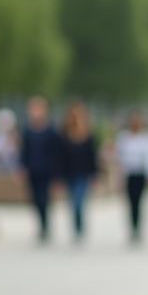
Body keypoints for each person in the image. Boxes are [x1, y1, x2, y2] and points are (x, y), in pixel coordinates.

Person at [19, 96, 61, 243]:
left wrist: (57, 173)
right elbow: (24, 150)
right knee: (35, 199)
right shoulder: (27, 129)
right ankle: (41, 225)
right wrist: (22, 167)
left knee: (44, 198)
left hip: (47, 170)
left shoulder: (50, 129)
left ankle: (45, 226)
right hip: (32, 169)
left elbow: (56, 152)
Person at [114, 110, 148, 243]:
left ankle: (139, 228)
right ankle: (132, 228)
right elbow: (119, 158)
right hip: (129, 174)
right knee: (131, 203)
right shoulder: (123, 137)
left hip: (142, 174)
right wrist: (118, 176)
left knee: (140, 202)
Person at [60, 100, 98, 242]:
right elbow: (60, 157)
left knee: (78, 202)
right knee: (72, 202)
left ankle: (80, 228)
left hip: (83, 174)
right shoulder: (64, 133)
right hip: (69, 173)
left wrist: (95, 175)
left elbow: (92, 156)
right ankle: (76, 228)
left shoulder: (88, 134)